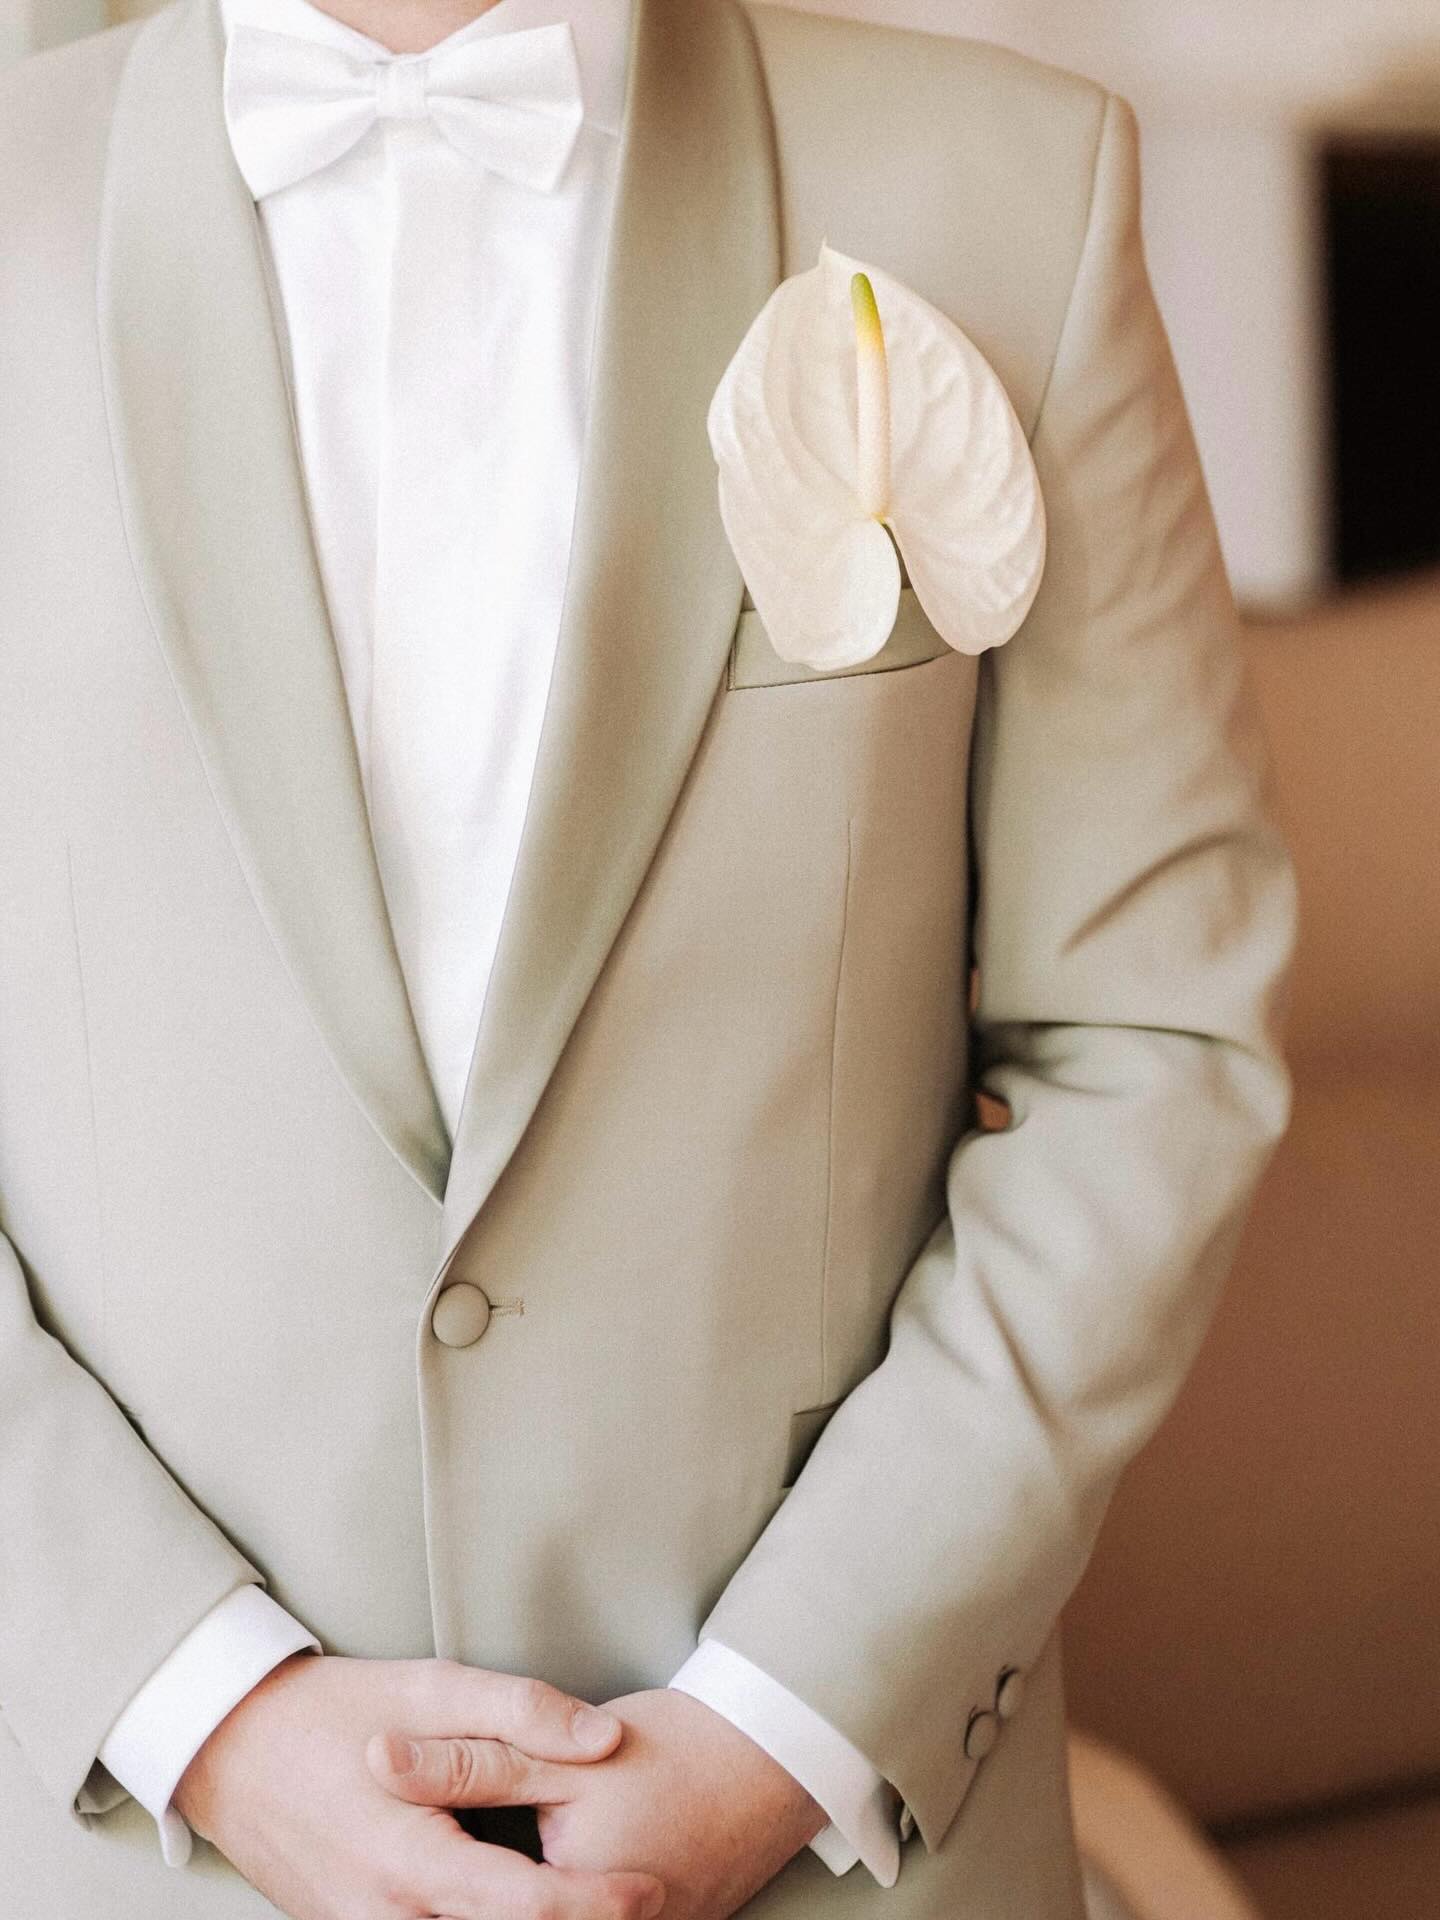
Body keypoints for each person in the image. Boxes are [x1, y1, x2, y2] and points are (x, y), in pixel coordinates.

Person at [0, 0, 1297, 1914]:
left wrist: (791, 1715)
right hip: (126, 1839)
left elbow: (1153, 1040)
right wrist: (196, 1704)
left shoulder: (1014, 193)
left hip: (840, 1848)